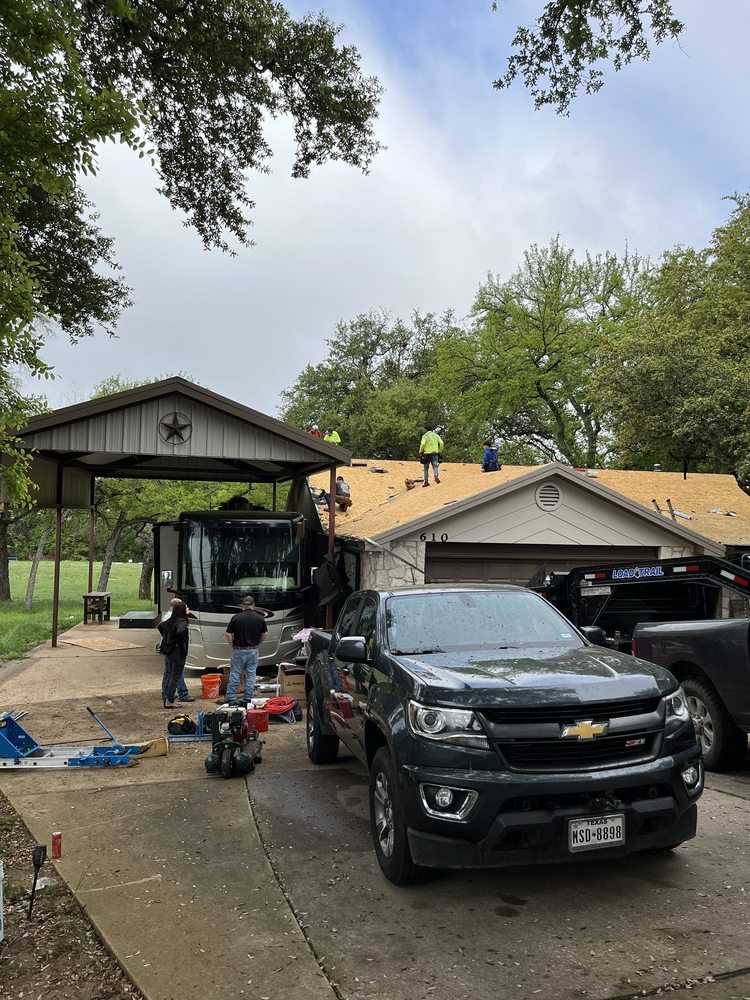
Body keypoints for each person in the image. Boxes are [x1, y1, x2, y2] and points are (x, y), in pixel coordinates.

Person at [224, 595, 268, 703]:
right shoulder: (260, 618)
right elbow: (264, 634)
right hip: (253, 650)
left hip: (238, 650)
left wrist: (233, 645)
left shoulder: (236, 617)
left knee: (235, 673)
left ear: (242, 605)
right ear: (253, 605)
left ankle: (230, 697)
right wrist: (258, 644)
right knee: (251, 674)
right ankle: (248, 698)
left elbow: (228, 634)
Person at [160, 598, 195, 703]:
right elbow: (180, 632)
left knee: (170, 674)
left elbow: (161, 626)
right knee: (175, 676)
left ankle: (166, 695)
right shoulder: (182, 622)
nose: (188, 609)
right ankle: (170, 698)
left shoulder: (171, 620)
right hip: (178, 653)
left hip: (170, 651)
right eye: (186, 607)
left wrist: (168, 639)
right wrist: (179, 643)